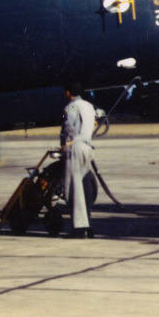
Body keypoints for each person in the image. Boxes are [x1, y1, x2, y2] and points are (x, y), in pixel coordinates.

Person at [60, 82, 97, 237]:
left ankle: (78, 229)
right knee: (85, 185)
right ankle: (87, 224)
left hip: (75, 147)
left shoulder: (71, 107)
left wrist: (65, 144)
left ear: (68, 93)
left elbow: (68, 128)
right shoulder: (89, 106)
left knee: (72, 190)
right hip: (87, 147)